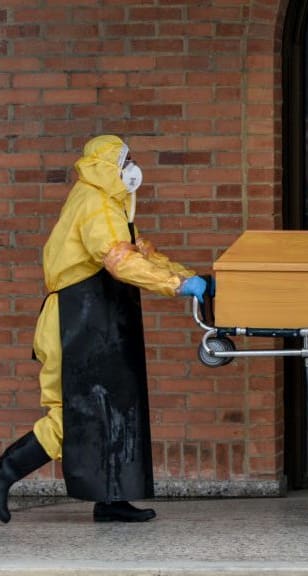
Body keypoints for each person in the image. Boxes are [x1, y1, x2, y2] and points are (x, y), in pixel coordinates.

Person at [0, 135, 208, 524]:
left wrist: (187, 275)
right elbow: (118, 261)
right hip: (77, 324)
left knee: (116, 412)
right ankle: (3, 473)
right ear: (107, 165)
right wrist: (178, 286)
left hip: (98, 324)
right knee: (73, 417)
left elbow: (140, 254)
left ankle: (112, 499)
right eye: (127, 161)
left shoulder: (109, 202)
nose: (132, 168)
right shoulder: (95, 202)